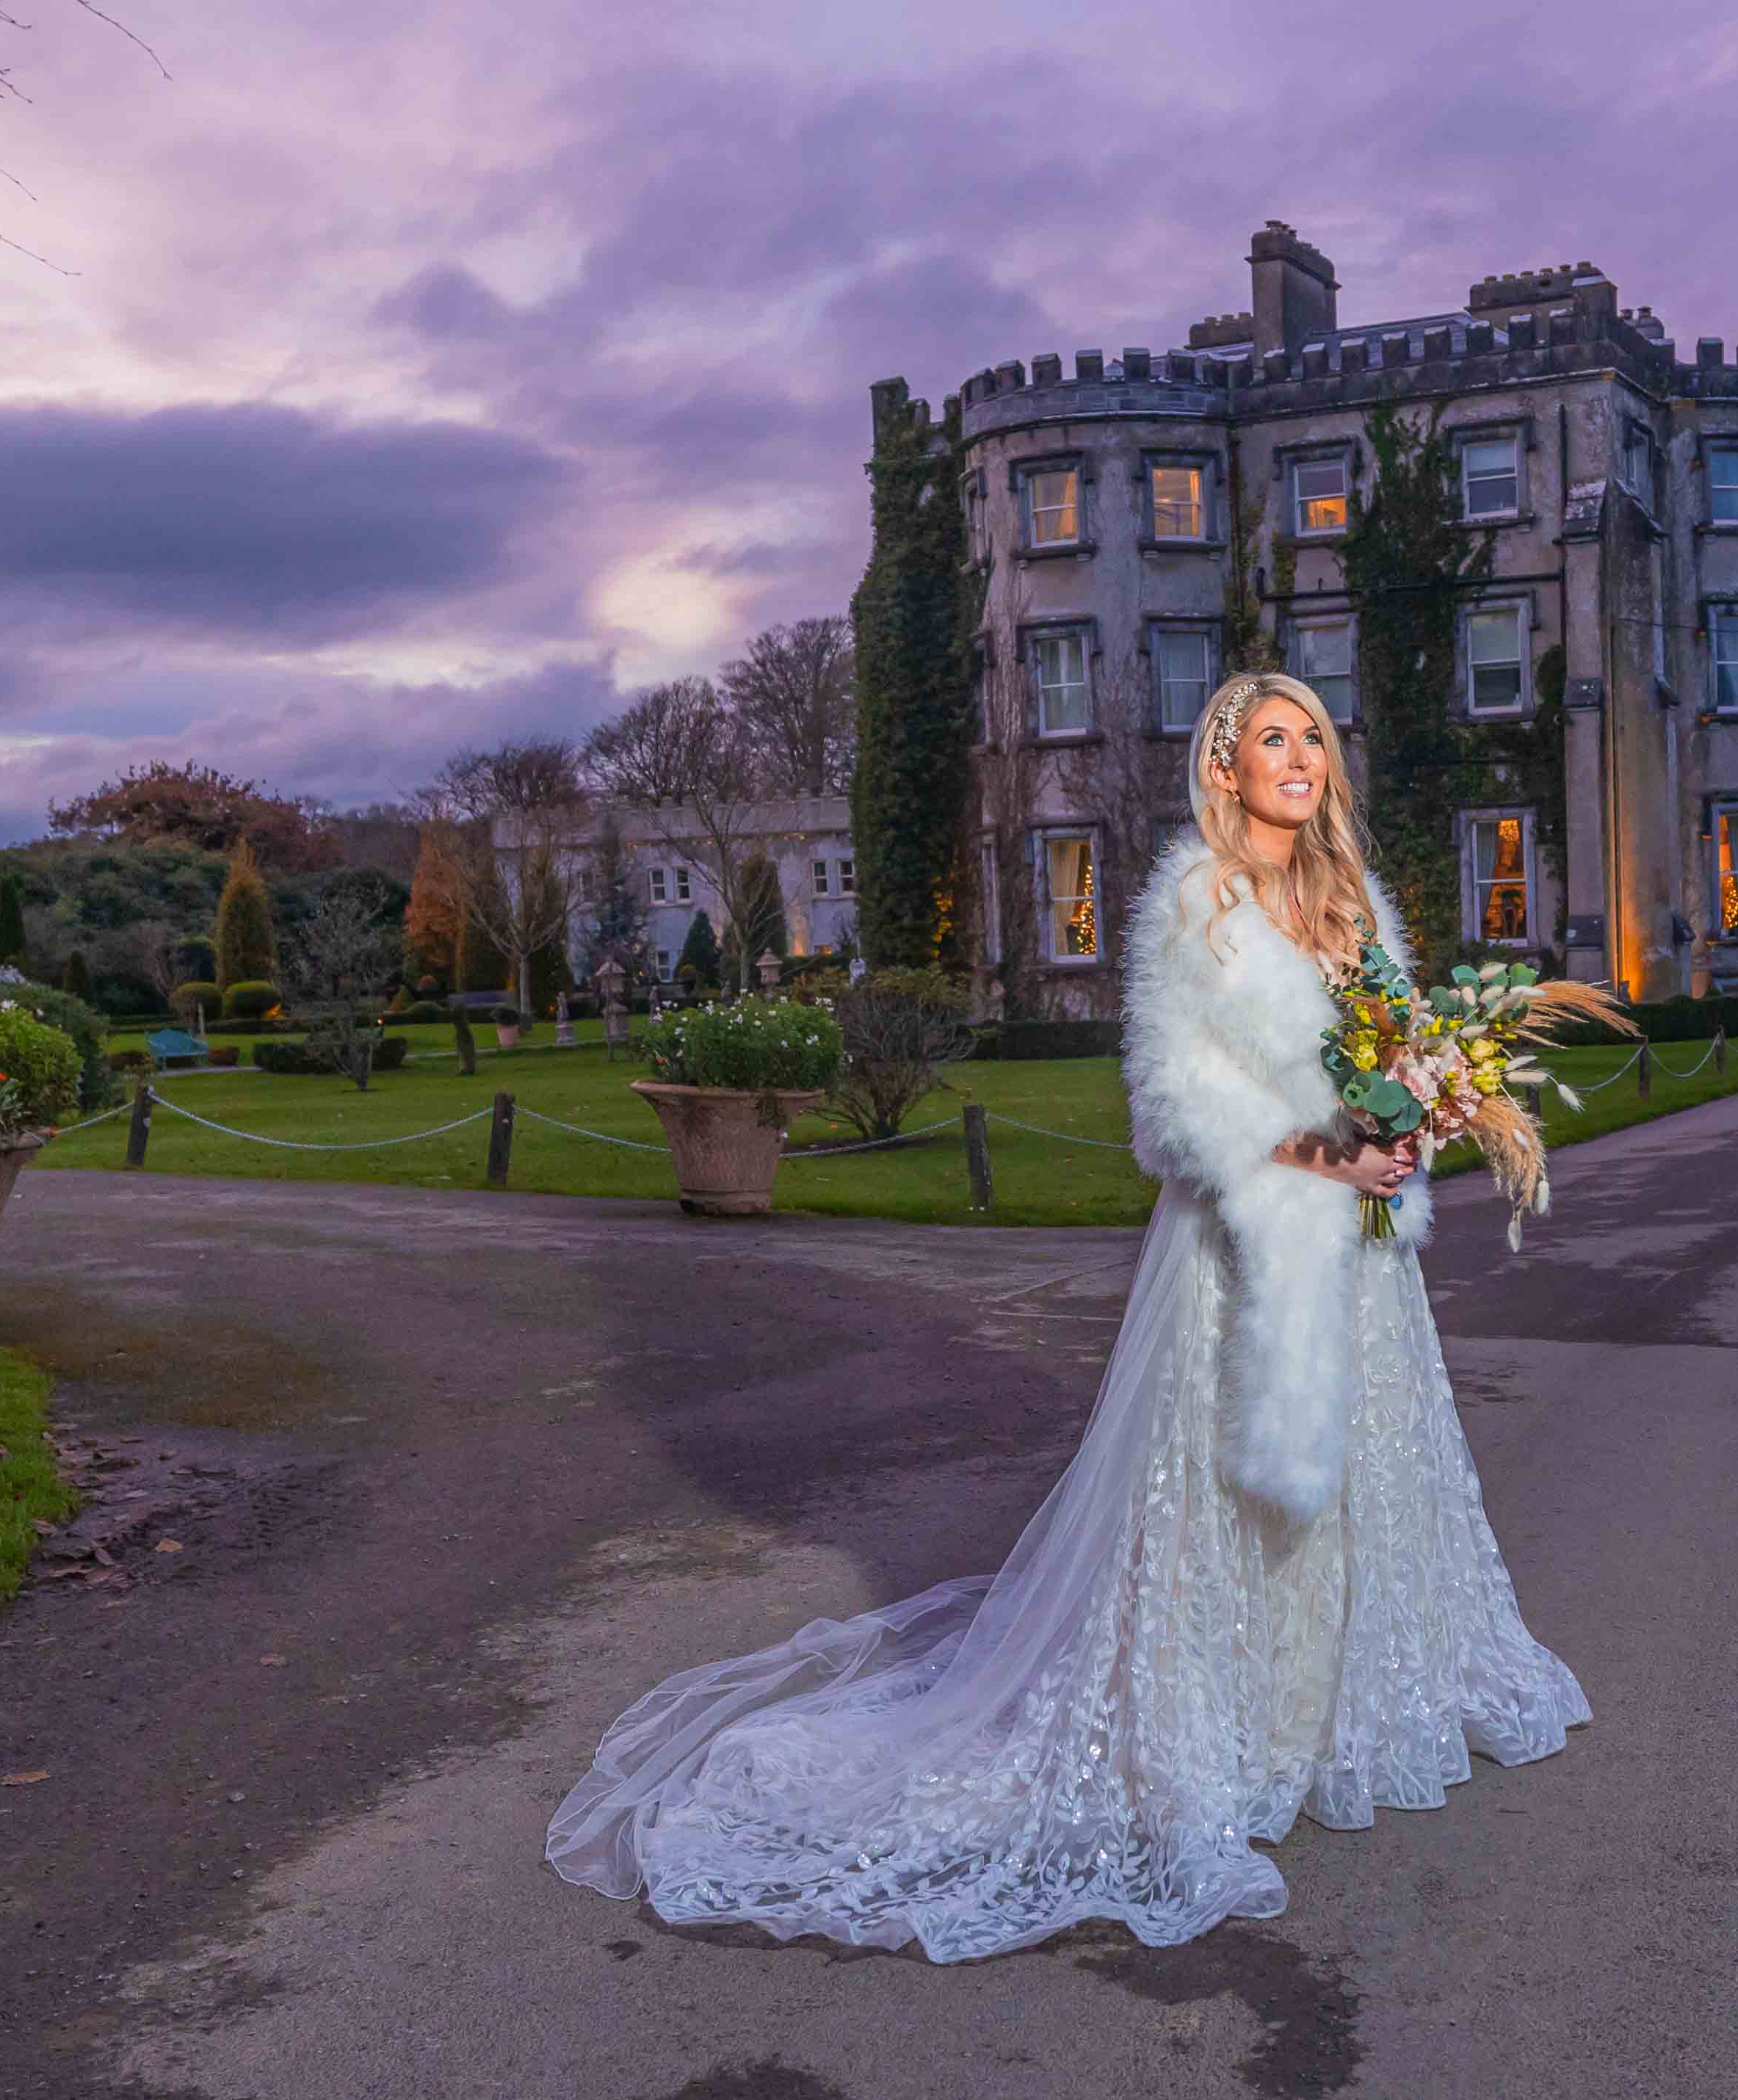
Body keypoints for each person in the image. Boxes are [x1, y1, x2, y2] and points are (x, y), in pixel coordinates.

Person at [547, 671, 1587, 1960]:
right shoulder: (1191, 907)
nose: (1300, 757)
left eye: (1313, 736)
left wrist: (1412, 1117)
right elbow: (1172, 1117)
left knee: (1366, 1474)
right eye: (1272, 739)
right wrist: (1329, 1161)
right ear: (1224, 769)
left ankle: (1331, 1712)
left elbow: (1398, 1054)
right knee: (1216, 1492)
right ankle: (1222, 1727)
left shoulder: (1354, 903)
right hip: (1240, 1252)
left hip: (1362, 1264)